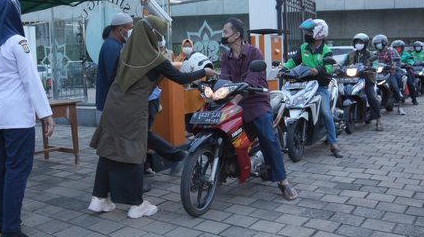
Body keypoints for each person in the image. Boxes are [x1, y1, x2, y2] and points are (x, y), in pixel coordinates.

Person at [88, 15, 215, 218]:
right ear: (153, 35)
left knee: (108, 149)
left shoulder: (125, 52)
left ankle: (99, 199)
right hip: (133, 108)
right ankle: (137, 204)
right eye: (160, 35)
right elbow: (180, 78)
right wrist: (204, 72)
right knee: (135, 153)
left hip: (113, 105)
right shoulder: (155, 59)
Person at [0, 0, 55, 237]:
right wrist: (46, 113)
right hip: (16, 117)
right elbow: (31, 79)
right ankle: (12, 231)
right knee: (17, 170)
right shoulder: (17, 42)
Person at [221, 18, 298, 199]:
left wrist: (234, 101)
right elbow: (224, 79)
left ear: (237, 35)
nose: (222, 35)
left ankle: (283, 181)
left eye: (225, 32)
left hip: (255, 100)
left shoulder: (254, 52)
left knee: (268, 137)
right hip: (235, 100)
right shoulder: (226, 56)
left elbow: (250, 82)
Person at [284, 18, 342, 159]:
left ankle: (333, 144)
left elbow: (328, 67)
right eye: (307, 31)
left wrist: (318, 70)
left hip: (320, 86)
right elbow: (293, 61)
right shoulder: (304, 47)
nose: (307, 34)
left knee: (326, 113)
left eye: (310, 31)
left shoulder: (326, 50)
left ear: (319, 33)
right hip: (304, 85)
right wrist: (284, 68)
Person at [95, 13, 134, 118]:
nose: (131, 32)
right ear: (120, 30)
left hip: (114, 101)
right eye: (130, 28)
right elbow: (114, 76)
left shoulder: (116, 45)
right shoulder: (111, 46)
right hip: (112, 102)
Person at [342, 33, 383, 131]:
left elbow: (376, 64)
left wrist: (372, 67)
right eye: (356, 42)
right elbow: (342, 64)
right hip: (351, 79)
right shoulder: (350, 54)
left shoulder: (370, 54)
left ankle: (378, 119)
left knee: (372, 97)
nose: (358, 44)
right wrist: (339, 68)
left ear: (365, 43)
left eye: (360, 42)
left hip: (367, 78)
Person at [372, 34, 406, 115]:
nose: (377, 45)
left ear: (384, 43)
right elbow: (371, 61)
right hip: (377, 74)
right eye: (376, 44)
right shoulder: (374, 53)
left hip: (389, 73)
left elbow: (397, 61)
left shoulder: (391, 51)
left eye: (379, 43)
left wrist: (393, 66)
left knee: (394, 87)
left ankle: (400, 107)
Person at [391, 40, 418, 105]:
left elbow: (410, 60)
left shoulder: (406, 54)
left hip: (404, 69)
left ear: (402, 48)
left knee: (410, 83)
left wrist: (409, 64)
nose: (397, 49)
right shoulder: (391, 53)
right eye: (395, 47)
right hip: (393, 70)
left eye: (399, 47)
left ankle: (414, 99)